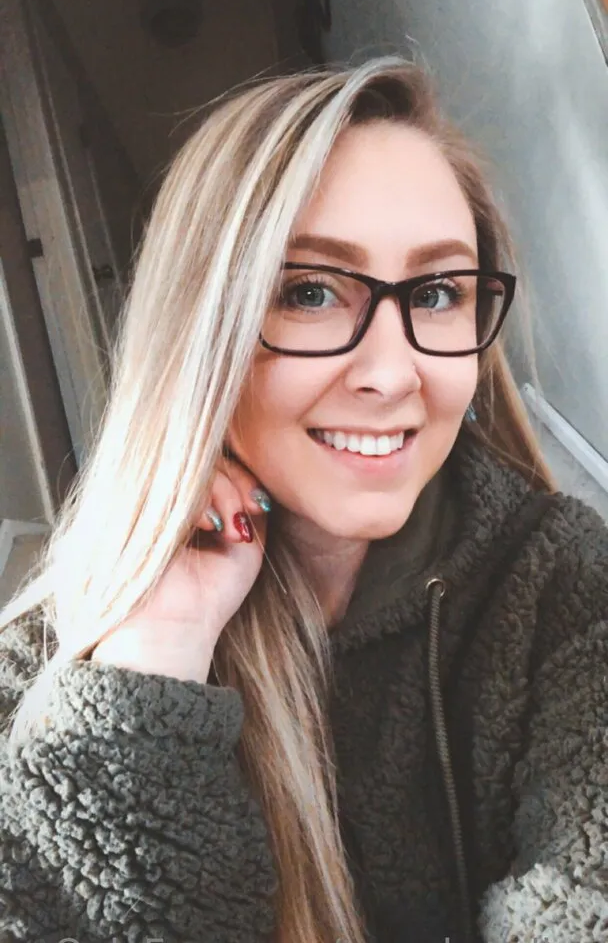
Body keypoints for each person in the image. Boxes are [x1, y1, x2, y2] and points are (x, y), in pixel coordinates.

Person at [0, 57, 606, 943]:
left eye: (437, 293)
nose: (393, 374)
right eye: (310, 292)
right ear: (200, 332)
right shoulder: (54, 665)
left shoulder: (567, 593)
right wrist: (154, 663)